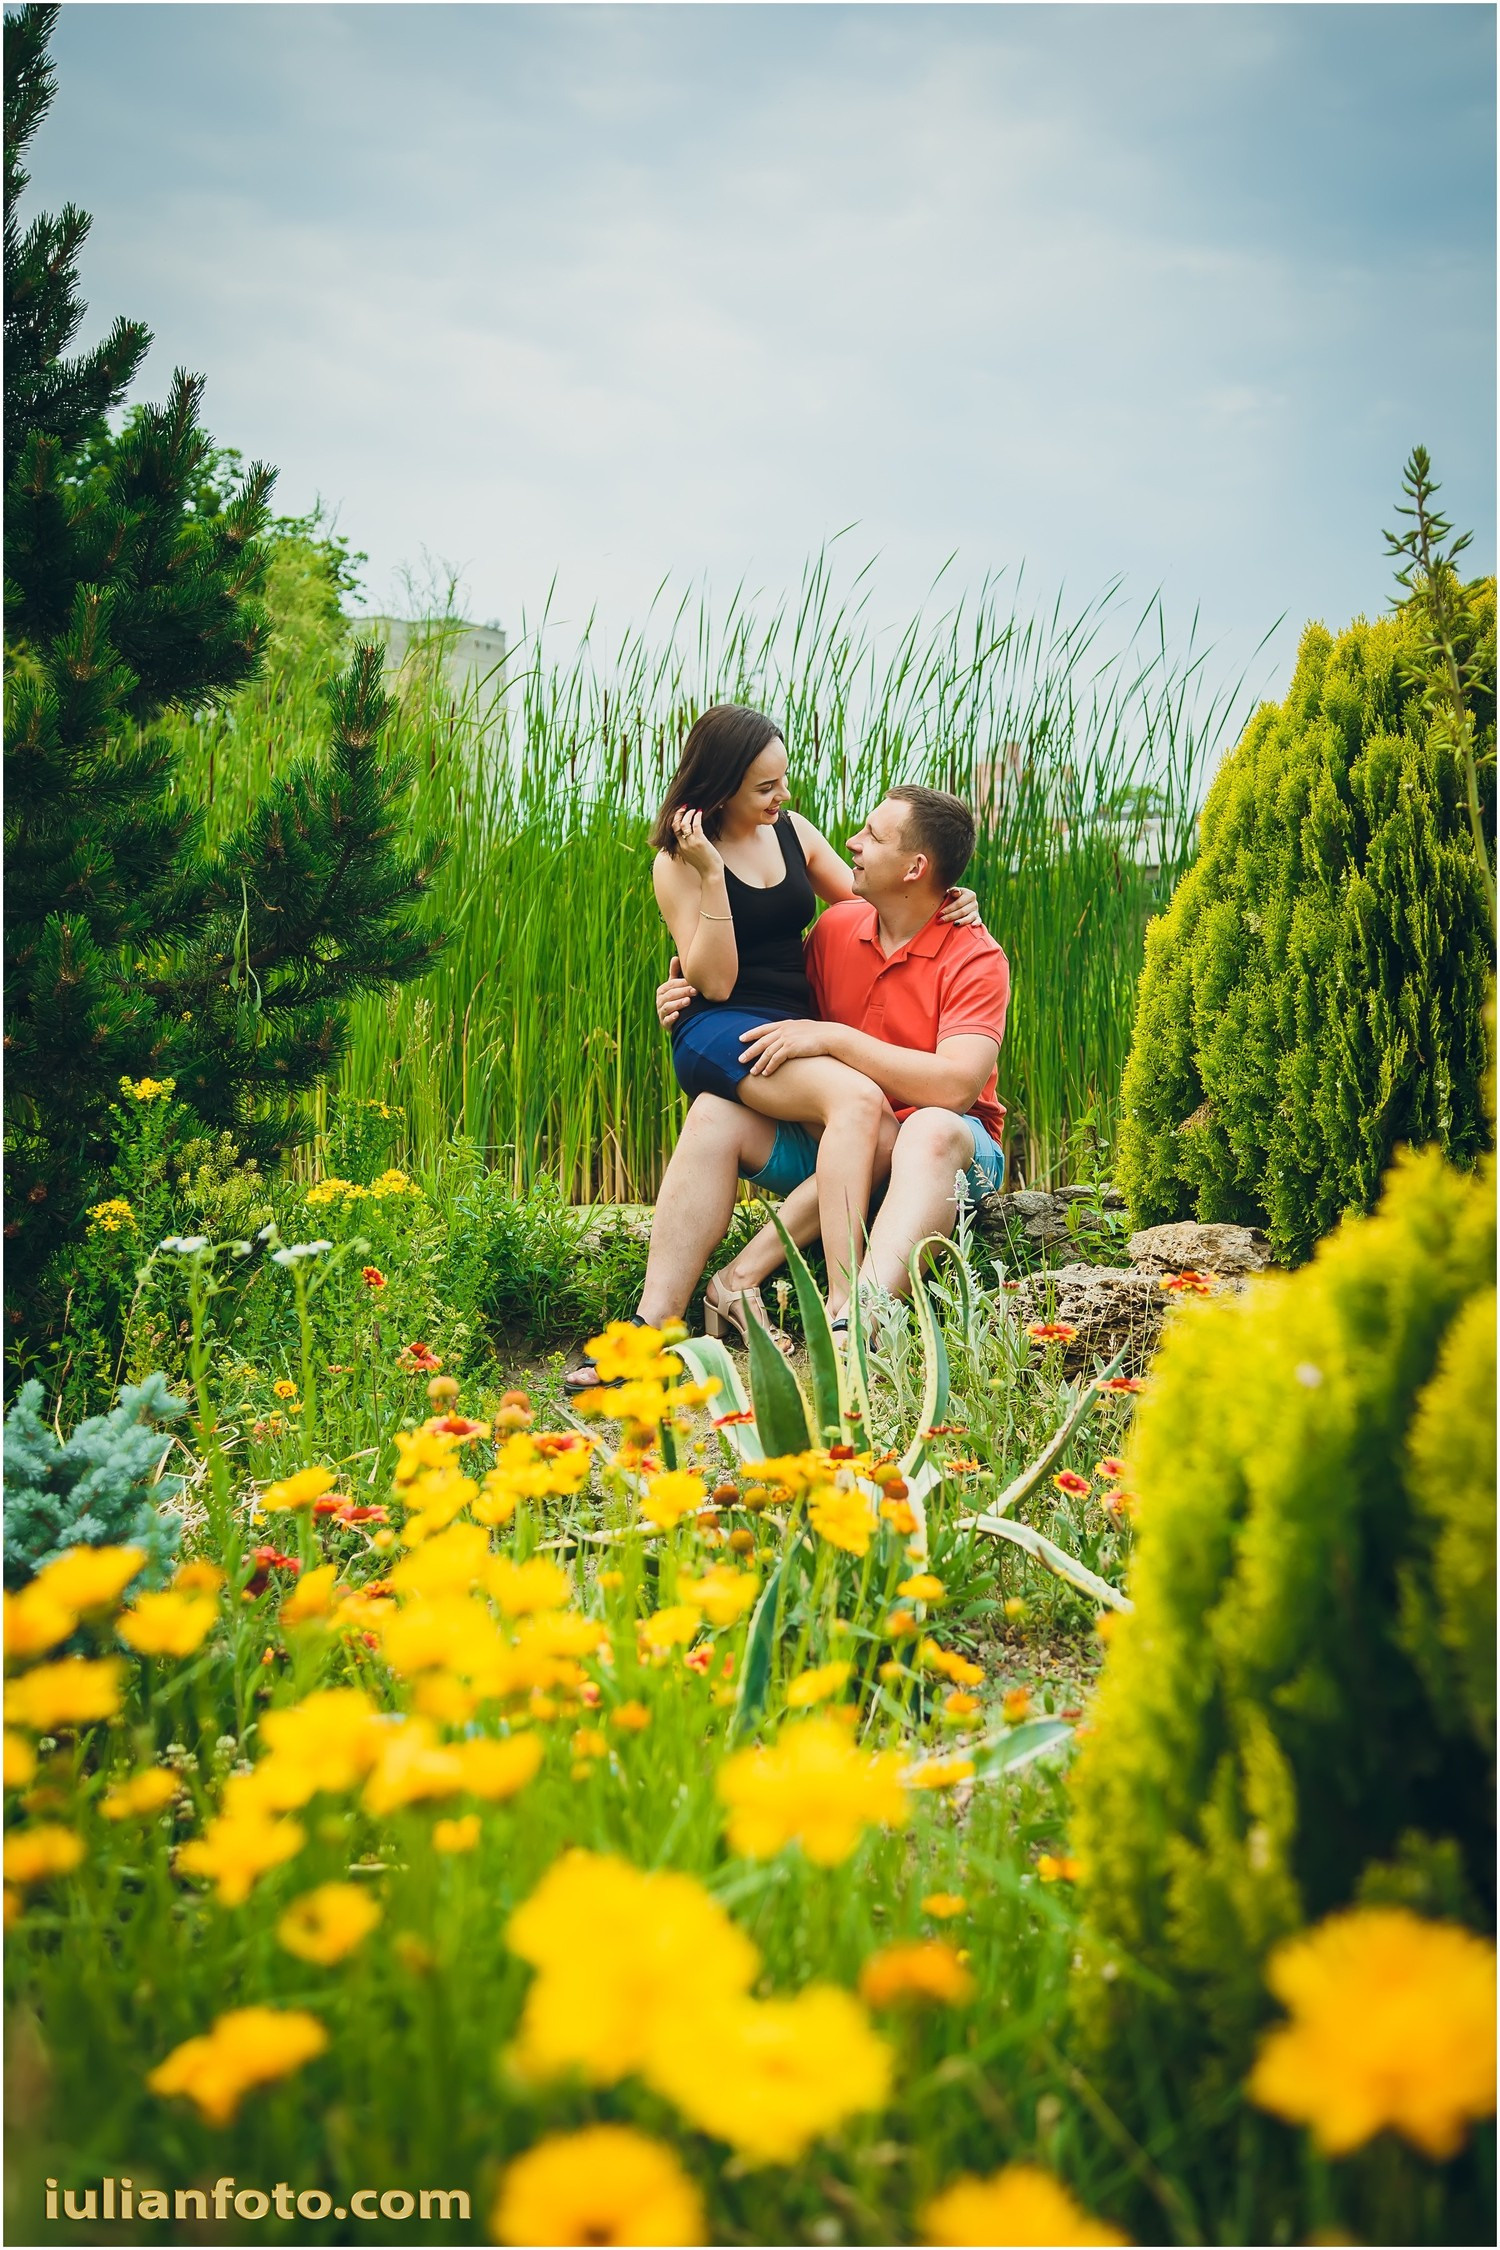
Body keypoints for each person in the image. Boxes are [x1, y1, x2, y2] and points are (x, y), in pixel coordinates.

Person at [563, 708, 980, 1390]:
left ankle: (692, 1306)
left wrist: (949, 898)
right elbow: (716, 980)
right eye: (765, 787)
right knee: (857, 1099)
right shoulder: (677, 863)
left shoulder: (793, 833)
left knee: (876, 1132)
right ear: (722, 786)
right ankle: (841, 1305)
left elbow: (877, 898)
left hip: (791, 1026)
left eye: (782, 779)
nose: (782, 795)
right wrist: (713, 875)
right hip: (722, 1025)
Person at [639, 782, 1010, 1340]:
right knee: (714, 1113)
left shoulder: (975, 956)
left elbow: (956, 1089)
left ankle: (856, 1319)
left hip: (948, 1157)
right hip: (846, 1144)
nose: (853, 843)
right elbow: (780, 1007)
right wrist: (686, 996)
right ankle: (654, 1321)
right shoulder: (836, 929)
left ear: (915, 868)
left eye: (873, 837)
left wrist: (837, 1039)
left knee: (926, 1127)